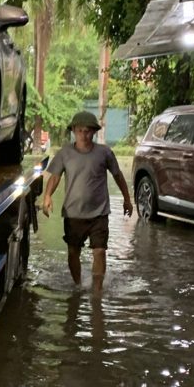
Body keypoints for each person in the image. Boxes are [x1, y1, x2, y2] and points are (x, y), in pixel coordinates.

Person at [41, 111, 132, 295]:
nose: (84, 134)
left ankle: (97, 293)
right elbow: (55, 177)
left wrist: (127, 199)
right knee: (73, 252)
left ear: (94, 132)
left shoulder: (104, 153)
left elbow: (117, 175)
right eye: (81, 130)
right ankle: (78, 285)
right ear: (74, 130)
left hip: (99, 213)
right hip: (73, 213)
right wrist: (47, 196)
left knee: (99, 251)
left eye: (88, 131)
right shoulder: (65, 153)